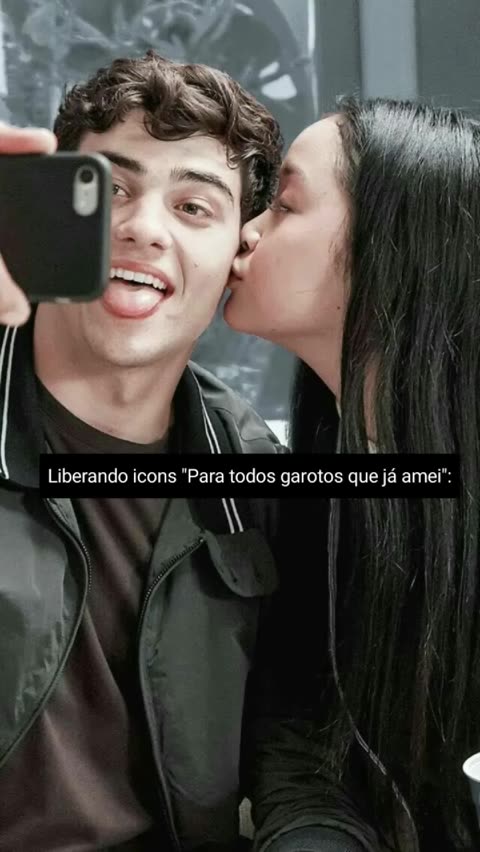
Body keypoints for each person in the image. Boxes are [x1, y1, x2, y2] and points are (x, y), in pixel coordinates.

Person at [0, 50, 298, 852]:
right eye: (109, 188)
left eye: (194, 206)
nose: (142, 228)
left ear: (239, 252)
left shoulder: (261, 481)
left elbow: (298, 753)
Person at [226, 98, 480, 851]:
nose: (246, 232)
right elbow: (305, 743)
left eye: (285, 204)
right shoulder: (316, 491)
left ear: (392, 245)